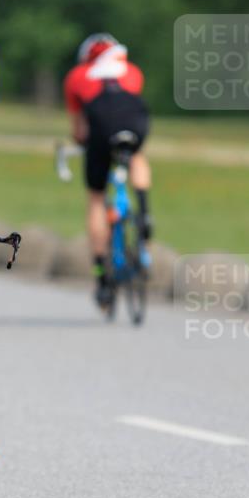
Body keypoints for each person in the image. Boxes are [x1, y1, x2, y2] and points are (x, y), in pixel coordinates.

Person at [63, 33, 153, 306]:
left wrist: (84, 142)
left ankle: (102, 274)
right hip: (136, 118)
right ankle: (145, 211)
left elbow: (79, 130)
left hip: (100, 126)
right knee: (136, 155)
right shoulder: (132, 71)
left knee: (97, 198)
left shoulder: (77, 76)